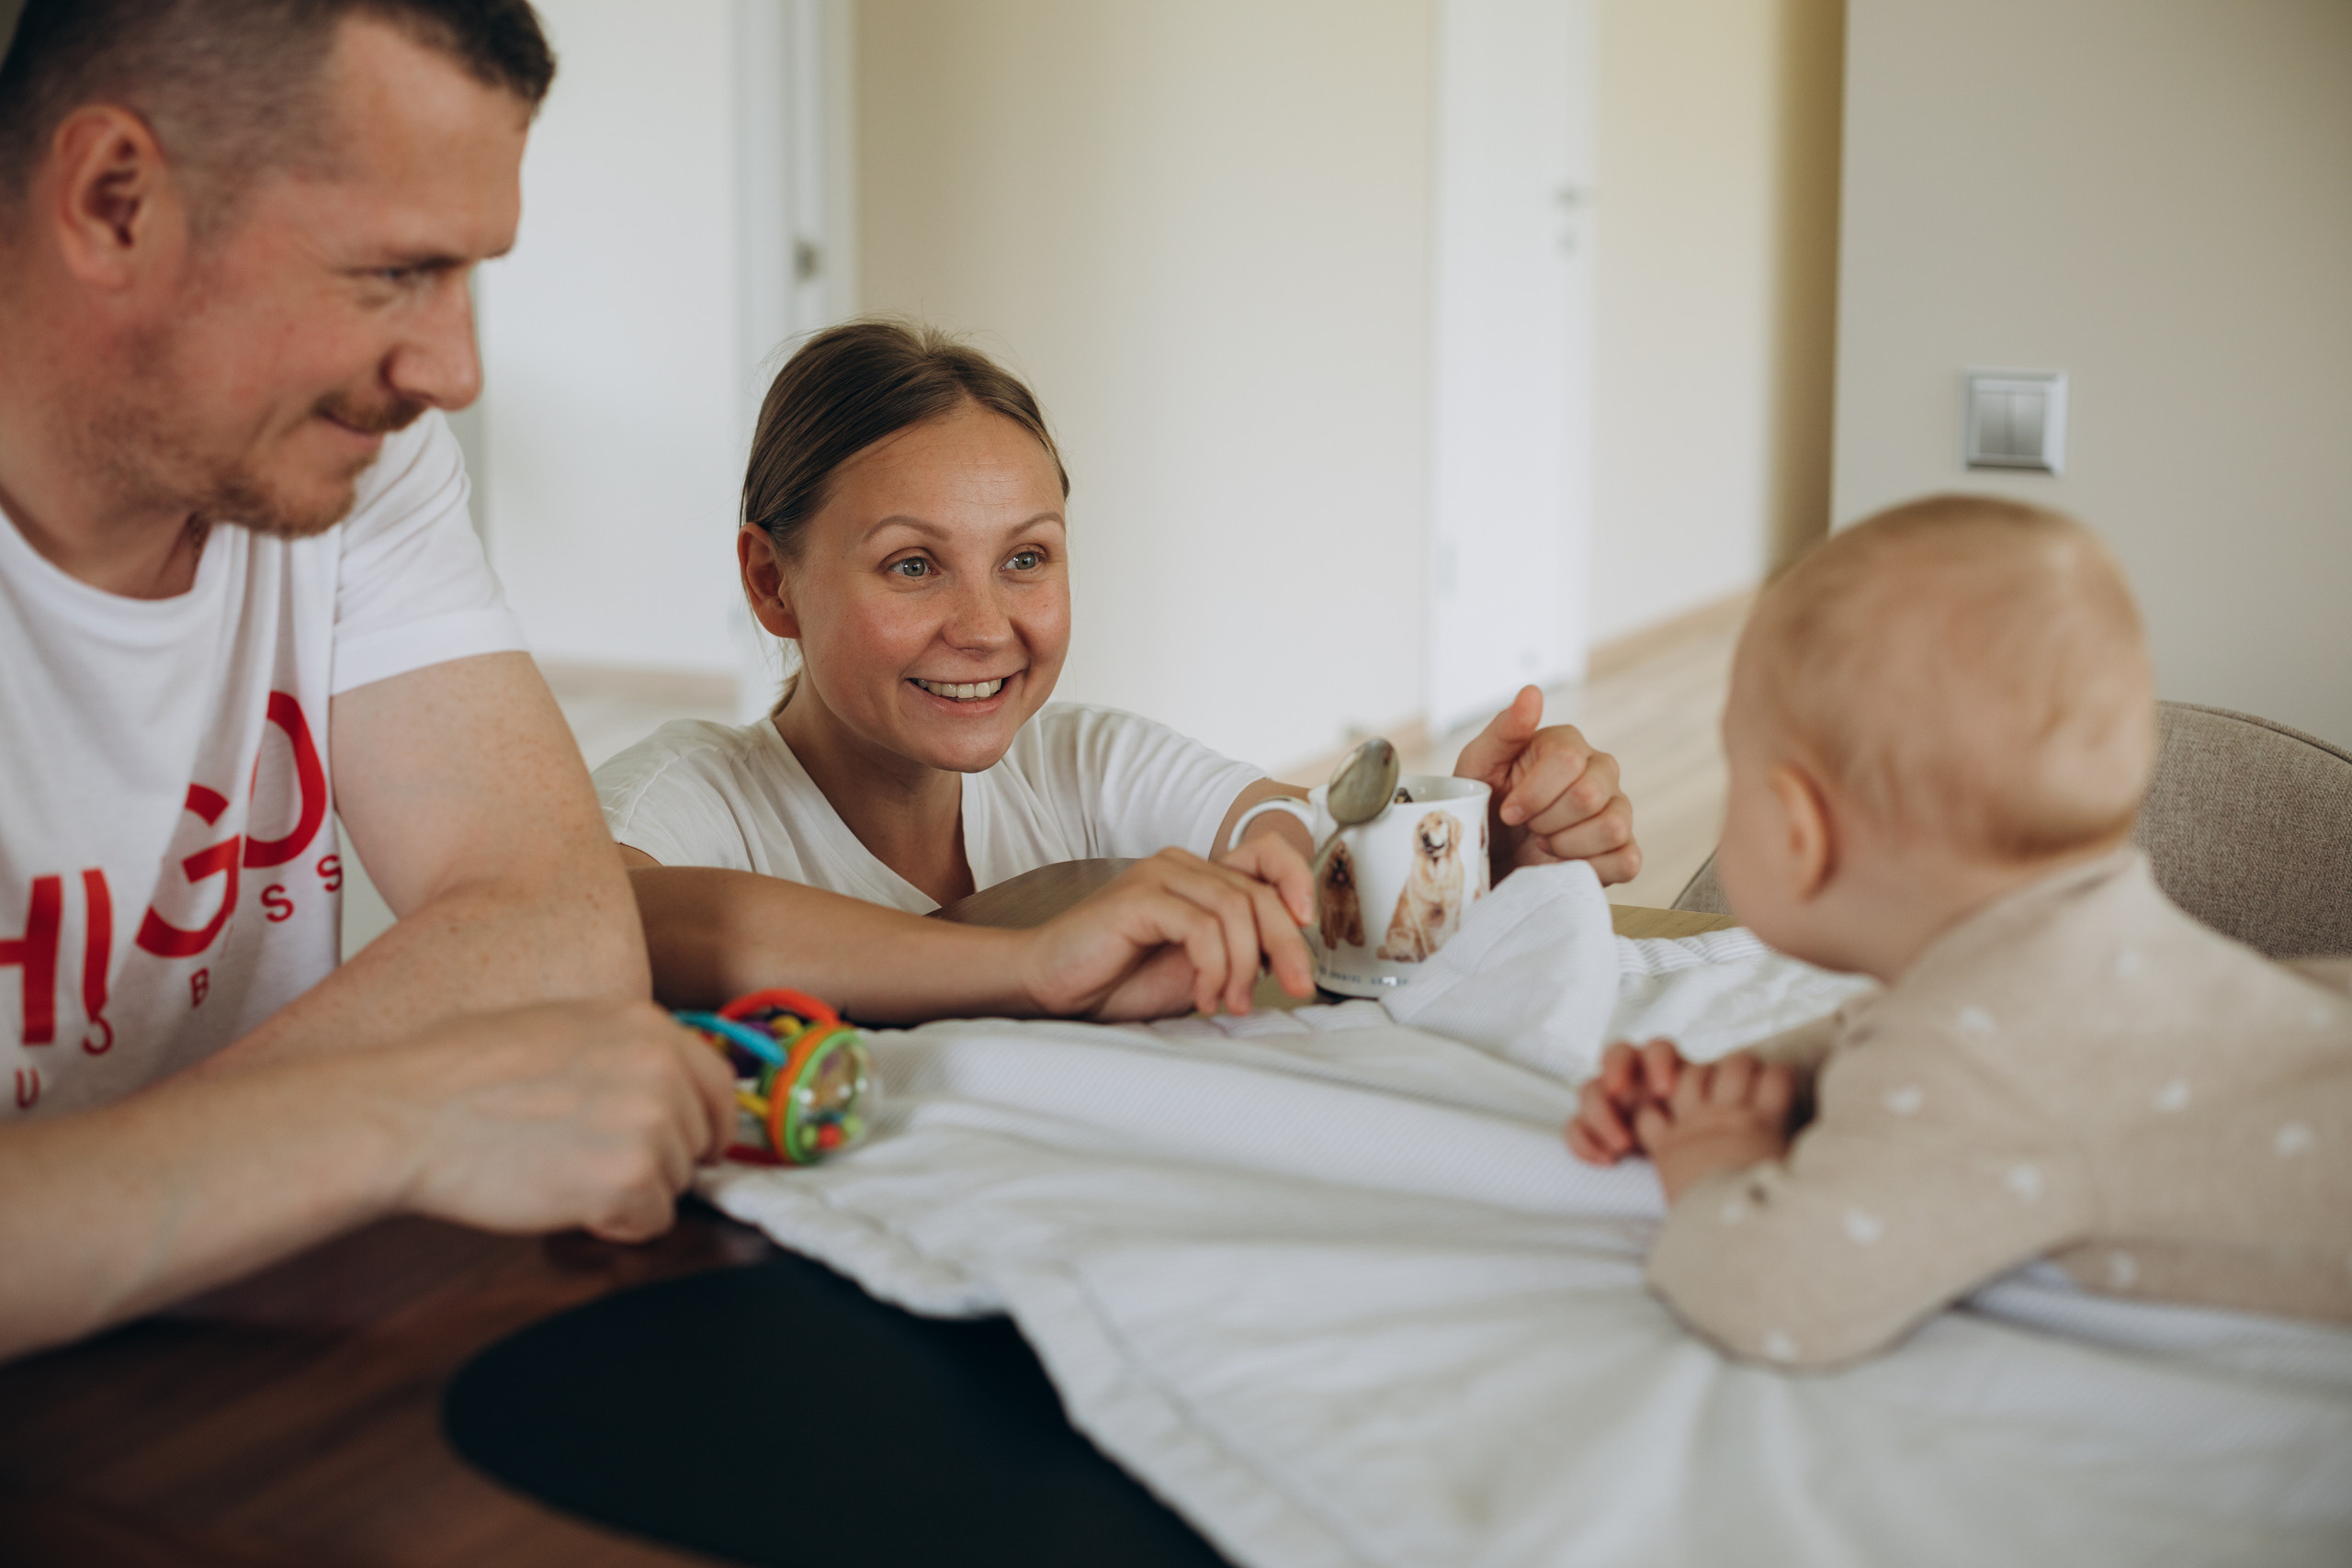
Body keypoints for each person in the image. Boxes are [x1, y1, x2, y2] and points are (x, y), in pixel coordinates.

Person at [0, 0, 739, 1363]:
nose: (451, 369)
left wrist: (94, 1214)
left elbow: (561, 934)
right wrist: (393, 1119)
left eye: (468, 277)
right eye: (394, 272)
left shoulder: (352, 462)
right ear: (115, 201)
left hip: (212, 1387)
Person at [595, 321, 1645, 1021]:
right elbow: (621, 924)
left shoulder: (1084, 764)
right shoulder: (686, 797)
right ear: (772, 583)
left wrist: (1480, 853)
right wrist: (1029, 964)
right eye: (913, 566)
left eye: (1025, 559)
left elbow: (1287, 838)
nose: (984, 625)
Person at [1566, 496, 2352, 1370]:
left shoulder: (1981, 1064)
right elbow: (1910, 1042)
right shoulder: (2078, 949)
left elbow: (1774, 1295)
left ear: (1798, 830)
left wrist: (1713, 1155)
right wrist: (1763, 1080)